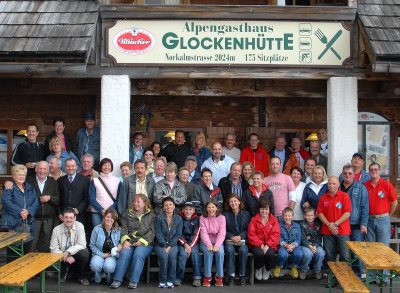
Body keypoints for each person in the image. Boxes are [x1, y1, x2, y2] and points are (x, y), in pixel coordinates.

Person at [110, 194, 156, 289]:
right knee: (124, 253)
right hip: (130, 241)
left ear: (144, 203)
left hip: (145, 242)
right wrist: (125, 240)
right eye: (134, 201)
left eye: (138, 202)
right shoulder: (127, 213)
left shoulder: (151, 215)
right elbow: (124, 228)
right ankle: (117, 280)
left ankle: (133, 281)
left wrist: (142, 241)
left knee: (138, 254)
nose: (136, 204)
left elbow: (152, 231)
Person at [340, 164, 369, 278]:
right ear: (342, 174)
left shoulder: (361, 188)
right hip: (342, 224)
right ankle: (344, 276)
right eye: (345, 173)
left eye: (350, 173)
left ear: (354, 174)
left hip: (356, 225)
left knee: (356, 252)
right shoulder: (338, 187)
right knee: (344, 253)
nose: (347, 175)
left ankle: (358, 275)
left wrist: (364, 224)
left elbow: (365, 207)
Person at [50, 207, 90, 286]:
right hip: (62, 256)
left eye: (71, 217)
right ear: (63, 218)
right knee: (56, 256)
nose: (68, 220)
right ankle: (64, 273)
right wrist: (65, 256)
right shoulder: (56, 230)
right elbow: (53, 249)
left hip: (75, 254)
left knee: (84, 254)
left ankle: (81, 276)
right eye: (66, 217)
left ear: (75, 218)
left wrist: (68, 251)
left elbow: (82, 244)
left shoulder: (80, 226)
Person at [317, 176, 351, 266]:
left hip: (342, 231)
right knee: (329, 256)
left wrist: (335, 224)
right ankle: (331, 278)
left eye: (334, 183)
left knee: (345, 256)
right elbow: (320, 213)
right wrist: (329, 225)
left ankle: (344, 278)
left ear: (339, 184)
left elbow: (347, 213)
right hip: (327, 231)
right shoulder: (323, 198)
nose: (331, 186)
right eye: (329, 183)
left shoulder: (344, 196)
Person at [1, 164, 39, 244]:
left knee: (26, 250)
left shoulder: (30, 187)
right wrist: (20, 211)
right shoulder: (9, 188)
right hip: (12, 224)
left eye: (23, 175)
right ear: (14, 176)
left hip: (27, 224)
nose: (21, 177)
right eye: (19, 175)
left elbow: (35, 202)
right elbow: (6, 202)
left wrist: (28, 211)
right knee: (14, 251)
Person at [29, 161, 59, 252]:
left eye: (45, 169)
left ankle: (43, 265)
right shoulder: (28, 180)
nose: (42, 171)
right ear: (35, 169)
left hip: (48, 219)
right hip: (33, 218)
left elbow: (58, 199)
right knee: (31, 243)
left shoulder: (52, 181)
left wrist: (49, 198)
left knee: (46, 244)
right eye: (40, 168)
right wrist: (8, 182)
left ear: (48, 170)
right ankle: (30, 265)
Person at [365, 162, 398, 246]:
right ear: (369, 172)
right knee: (371, 247)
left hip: (383, 220)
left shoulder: (387, 185)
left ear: (380, 171)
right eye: (371, 170)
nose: (374, 171)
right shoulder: (365, 186)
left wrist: (388, 214)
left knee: (383, 248)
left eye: (376, 169)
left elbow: (394, 202)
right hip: (369, 220)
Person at [154, 197, 183, 288]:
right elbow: (158, 233)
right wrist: (164, 245)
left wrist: (170, 245)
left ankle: (171, 280)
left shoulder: (179, 219)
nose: (168, 207)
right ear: (163, 207)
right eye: (166, 205)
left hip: (173, 244)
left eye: (170, 204)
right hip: (160, 244)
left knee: (172, 256)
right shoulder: (159, 218)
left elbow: (178, 234)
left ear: (174, 206)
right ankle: (162, 280)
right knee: (164, 256)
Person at [247, 200, 279, 281]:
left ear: (269, 210)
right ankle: (258, 267)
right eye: (262, 209)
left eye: (266, 209)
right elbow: (251, 234)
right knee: (258, 253)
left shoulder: (274, 220)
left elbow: (276, 235)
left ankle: (267, 268)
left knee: (270, 254)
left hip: (270, 244)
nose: (264, 211)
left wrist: (267, 245)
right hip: (256, 244)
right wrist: (261, 244)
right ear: (259, 209)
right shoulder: (254, 219)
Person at [224, 194, 250, 286]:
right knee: (229, 250)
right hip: (230, 240)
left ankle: (242, 275)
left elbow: (249, 229)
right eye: (231, 201)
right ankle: (231, 276)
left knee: (243, 250)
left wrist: (241, 236)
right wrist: (231, 236)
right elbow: (223, 230)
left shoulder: (246, 214)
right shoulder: (225, 214)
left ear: (239, 202)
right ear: (229, 203)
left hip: (242, 240)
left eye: (235, 201)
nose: (233, 203)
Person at [89, 208, 121, 284]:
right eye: (108, 216)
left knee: (109, 267)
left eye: (112, 218)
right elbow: (92, 245)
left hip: (112, 255)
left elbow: (121, 243)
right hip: (99, 254)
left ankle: (109, 279)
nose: (109, 219)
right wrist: (102, 255)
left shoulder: (118, 230)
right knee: (95, 265)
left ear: (114, 220)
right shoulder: (96, 229)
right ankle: (97, 279)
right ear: (104, 217)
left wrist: (120, 246)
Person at [200, 200, 226, 287]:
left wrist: (217, 245)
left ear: (216, 208)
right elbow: (203, 233)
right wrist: (209, 245)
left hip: (218, 242)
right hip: (205, 242)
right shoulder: (202, 218)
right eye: (209, 207)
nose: (211, 209)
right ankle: (207, 277)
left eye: (213, 207)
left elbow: (222, 233)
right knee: (208, 252)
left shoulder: (222, 218)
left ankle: (219, 276)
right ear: (206, 209)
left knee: (220, 253)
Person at [89, 158, 121, 226]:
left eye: (108, 165)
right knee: (98, 232)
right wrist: (101, 210)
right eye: (104, 165)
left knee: (110, 232)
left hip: (111, 212)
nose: (106, 167)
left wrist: (109, 210)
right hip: (96, 212)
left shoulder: (117, 181)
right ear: (100, 167)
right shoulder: (94, 181)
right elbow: (91, 198)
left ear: (111, 167)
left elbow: (119, 198)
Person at [57, 158, 90, 225]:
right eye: (68, 166)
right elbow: (58, 199)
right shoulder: (60, 180)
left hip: (79, 216)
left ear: (76, 167)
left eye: (72, 166)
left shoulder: (85, 180)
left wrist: (78, 209)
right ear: (65, 167)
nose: (70, 168)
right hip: (64, 216)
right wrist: (60, 213)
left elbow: (87, 198)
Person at [176, 201, 201, 287]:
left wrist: (190, 245)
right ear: (182, 210)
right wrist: (185, 244)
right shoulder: (179, 218)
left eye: (190, 209)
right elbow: (178, 233)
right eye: (186, 209)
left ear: (194, 210)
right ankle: (179, 278)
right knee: (182, 254)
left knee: (195, 253)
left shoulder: (197, 219)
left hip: (193, 243)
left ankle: (197, 278)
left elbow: (196, 234)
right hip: (182, 243)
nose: (188, 211)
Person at [274, 207, 304, 279]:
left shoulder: (297, 226)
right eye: (286, 216)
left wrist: (293, 246)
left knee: (299, 254)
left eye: (289, 216)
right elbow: (278, 237)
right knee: (282, 254)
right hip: (283, 245)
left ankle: (294, 267)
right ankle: (278, 266)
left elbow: (298, 238)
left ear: (292, 216)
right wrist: (286, 245)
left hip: (294, 246)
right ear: (283, 216)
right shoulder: (279, 225)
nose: (287, 217)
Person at [300, 207, 325, 280]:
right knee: (308, 254)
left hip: (316, 245)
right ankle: (303, 270)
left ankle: (317, 270)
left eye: (311, 215)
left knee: (321, 253)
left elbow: (319, 238)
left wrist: (315, 246)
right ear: (304, 216)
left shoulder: (318, 225)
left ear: (314, 216)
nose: (310, 217)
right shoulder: (302, 225)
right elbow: (303, 238)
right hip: (305, 245)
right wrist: (309, 246)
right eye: (308, 215)